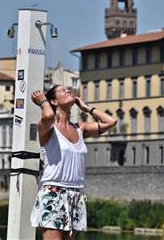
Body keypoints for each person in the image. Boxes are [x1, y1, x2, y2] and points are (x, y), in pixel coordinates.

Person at [30, 85, 116, 240]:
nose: (68, 91)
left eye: (69, 89)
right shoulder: (47, 129)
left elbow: (111, 121)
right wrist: (43, 102)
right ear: (54, 101)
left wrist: (87, 108)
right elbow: (49, 116)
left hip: (76, 194)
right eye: (63, 90)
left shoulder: (80, 129)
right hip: (54, 192)